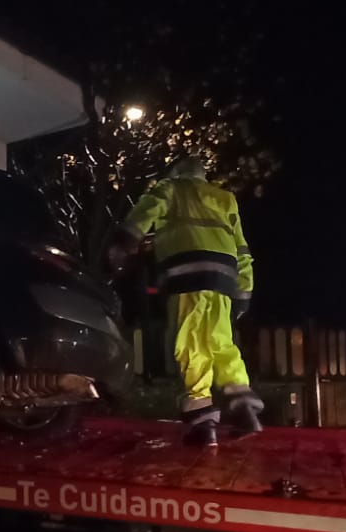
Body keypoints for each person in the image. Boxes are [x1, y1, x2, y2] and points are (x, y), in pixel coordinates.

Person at [109, 156, 262, 446]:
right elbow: (243, 250)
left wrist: (124, 242)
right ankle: (244, 406)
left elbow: (146, 211)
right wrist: (244, 292)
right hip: (224, 281)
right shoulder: (225, 198)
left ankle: (202, 421)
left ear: (177, 172)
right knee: (220, 342)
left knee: (190, 343)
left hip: (187, 274)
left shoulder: (171, 187)